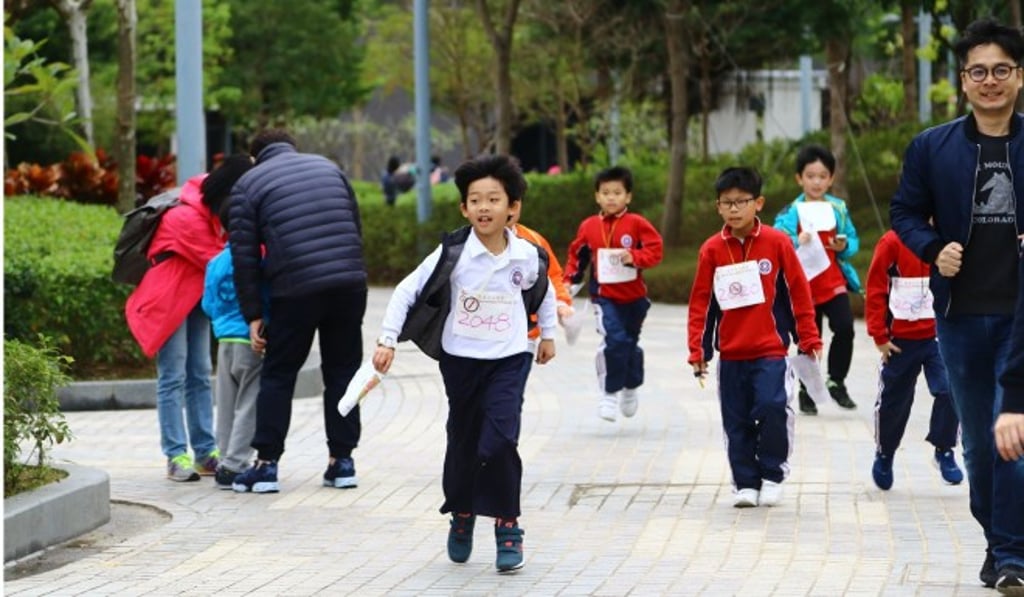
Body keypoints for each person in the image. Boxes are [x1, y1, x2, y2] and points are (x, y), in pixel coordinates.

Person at [372, 154, 557, 574]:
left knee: (500, 441)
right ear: (464, 208)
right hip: (460, 363)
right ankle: (462, 512)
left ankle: (508, 524)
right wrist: (387, 340)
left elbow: (542, 290)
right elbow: (405, 291)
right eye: (476, 200)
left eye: (495, 199)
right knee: (463, 442)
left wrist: (547, 334)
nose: (485, 207)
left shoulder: (526, 255)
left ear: (514, 207)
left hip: (510, 360)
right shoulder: (453, 252)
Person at [890, 18, 1024, 591]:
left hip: (1022, 316)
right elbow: (903, 213)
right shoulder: (932, 146)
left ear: (1019, 78)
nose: (989, 81)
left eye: (1001, 70)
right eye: (978, 71)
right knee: (977, 443)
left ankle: (1014, 556)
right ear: (964, 81)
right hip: (960, 318)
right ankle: (1000, 545)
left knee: (1013, 436)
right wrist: (931, 249)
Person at [228, 129, 368, 494]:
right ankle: (342, 462)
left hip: (296, 288)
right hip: (349, 284)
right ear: (292, 148)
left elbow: (243, 259)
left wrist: (254, 314)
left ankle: (266, 465)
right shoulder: (328, 167)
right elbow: (355, 227)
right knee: (343, 372)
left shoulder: (249, 183)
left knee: (278, 374)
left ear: (255, 157)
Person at [687, 167, 821, 508]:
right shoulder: (712, 250)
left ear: (758, 203)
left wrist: (808, 336)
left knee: (773, 406)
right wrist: (697, 349)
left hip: (771, 350)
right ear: (718, 207)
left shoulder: (777, 243)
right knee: (737, 419)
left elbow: (798, 292)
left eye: (741, 202)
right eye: (726, 203)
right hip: (732, 354)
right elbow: (701, 302)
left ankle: (772, 473)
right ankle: (745, 482)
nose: (734, 209)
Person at [124, 166, 226, 482]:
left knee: (199, 373)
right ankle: (176, 454)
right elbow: (219, 257)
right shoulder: (187, 218)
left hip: (193, 300)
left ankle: (206, 452)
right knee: (173, 375)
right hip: (168, 302)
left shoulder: (207, 214)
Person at [864, 229, 963, 491]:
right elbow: (875, 288)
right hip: (899, 341)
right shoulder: (892, 241)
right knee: (894, 402)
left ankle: (944, 449)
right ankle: (885, 453)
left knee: (949, 388)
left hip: (938, 335)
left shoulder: (950, 236)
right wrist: (879, 335)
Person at [563, 166, 664, 422]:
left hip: (635, 298)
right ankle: (609, 393)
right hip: (604, 297)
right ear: (597, 196)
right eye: (605, 192)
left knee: (629, 344)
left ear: (628, 196)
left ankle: (631, 388)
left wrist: (635, 257)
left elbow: (656, 250)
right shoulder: (589, 226)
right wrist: (568, 286)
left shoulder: (637, 224)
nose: (611, 198)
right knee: (614, 340)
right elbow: (578, 257)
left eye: (617, 192)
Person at [774, 144, 861, 414]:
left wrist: (842, 245)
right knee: (809, 338)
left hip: (833, 282)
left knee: (845, 328)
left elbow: (853, 240)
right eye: (810, 176)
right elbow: (776, 239)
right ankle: (807, 389)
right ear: (799, 178)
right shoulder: (791, 211)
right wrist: (794, 241)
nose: (817, 182)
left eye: (823, 176)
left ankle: (836, 380)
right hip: (803, 286)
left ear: (831, 178)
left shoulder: (838, 208)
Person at [201, 156, 260, 490]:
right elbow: (261, 297)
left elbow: (208, 303)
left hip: (223, 341)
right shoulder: (253, 259)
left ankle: (224, 457)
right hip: (250, 342)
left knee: (225, 403)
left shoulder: (214, 263)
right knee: (249, 403)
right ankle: (236, 464)